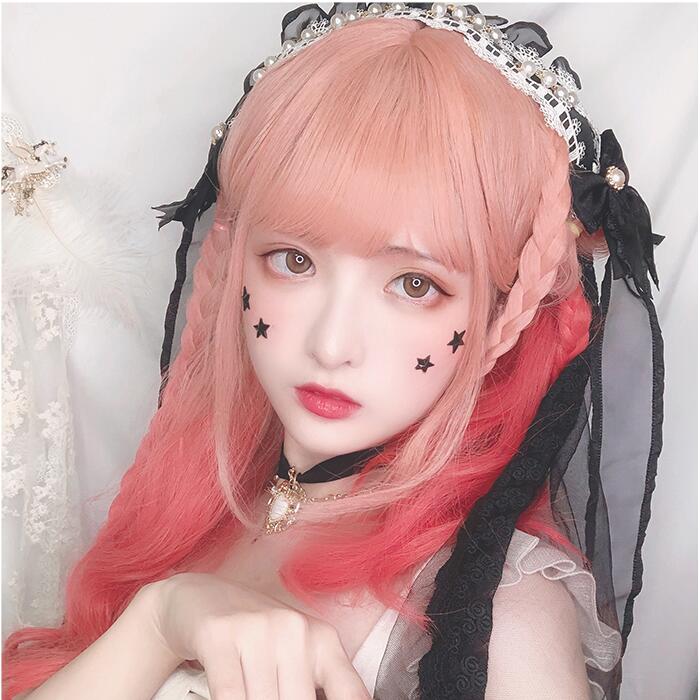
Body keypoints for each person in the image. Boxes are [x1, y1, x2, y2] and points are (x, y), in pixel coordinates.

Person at [3, 3, 664, 699]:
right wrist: (159, 621)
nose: (332, 344)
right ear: (234, 260)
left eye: (414, 285)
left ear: (505, 311)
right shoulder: (208, 510)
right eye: (293, 261)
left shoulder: (496, 615)